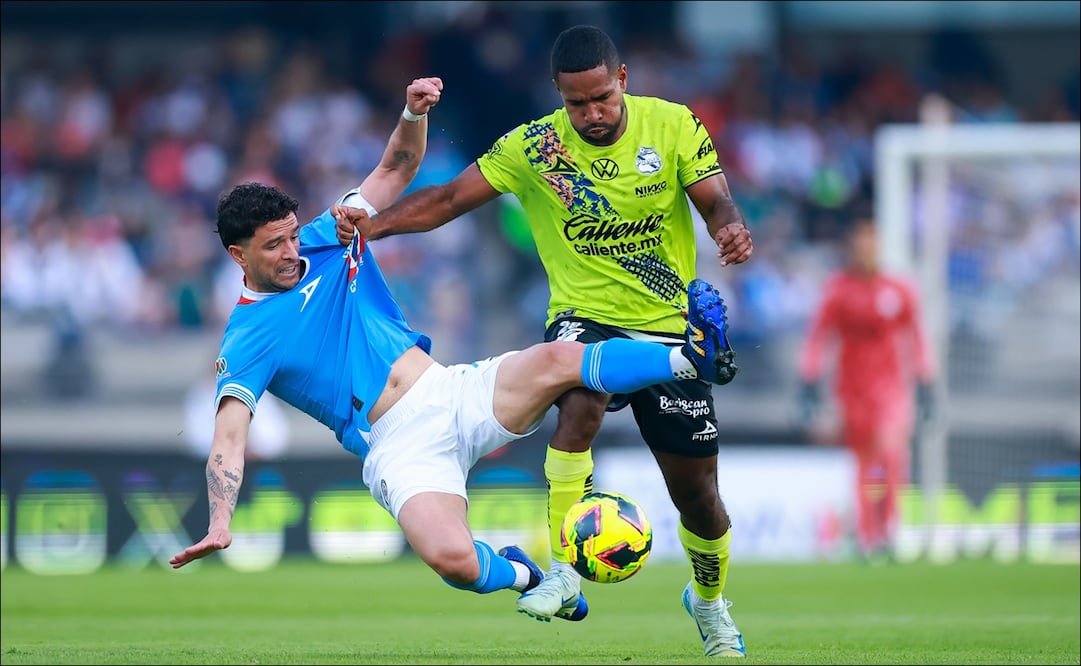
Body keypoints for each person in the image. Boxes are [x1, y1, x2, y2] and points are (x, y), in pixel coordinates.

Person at [167, 76, 741, 627]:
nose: (293, 250)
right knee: (455, 562)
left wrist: (413, 113)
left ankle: (690, 358)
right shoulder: (245, 338)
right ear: (239, 257)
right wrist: (220, 521)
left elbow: (397, 167)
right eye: (274, 246)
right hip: (397, 446)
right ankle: (526, 575)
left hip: (449, 390)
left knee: (559, 358)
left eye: (293, 234)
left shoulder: (327, 233)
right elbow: (229, 437)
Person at [334, 25, 752, 658]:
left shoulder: (673, 126)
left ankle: (710, 602)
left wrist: (730, 230)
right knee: (577, 398)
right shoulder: (537, 147)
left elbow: (715, 202)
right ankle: (562, 569)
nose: (590, 114)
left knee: (698, 498)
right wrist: (373, 230)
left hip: (670, 325)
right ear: (558, 95)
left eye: (601, 99)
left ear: (623, 80)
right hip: (583, 318)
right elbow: (449, 197)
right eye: (575, 103)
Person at [797, 209, 936, 561]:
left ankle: (890, 528)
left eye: (871, 246)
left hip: (891, 388)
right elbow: (818, 336)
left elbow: (917, 336)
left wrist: (926, 380)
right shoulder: (838, 290)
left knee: (891, 455)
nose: (866, 253)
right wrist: (809, 379)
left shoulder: (899, 290)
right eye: (860, 247)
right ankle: (868, 536)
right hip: (852, 389)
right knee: (863, 463)